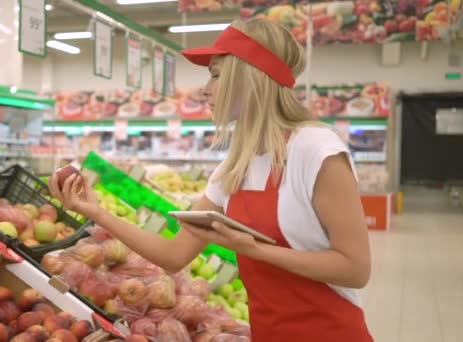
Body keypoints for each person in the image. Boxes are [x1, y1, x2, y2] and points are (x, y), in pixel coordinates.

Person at [50, 18, 373, 342]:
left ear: (251, 76)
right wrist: (97, 213)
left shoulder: (315, 150)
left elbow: (355, 269)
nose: (206, 88)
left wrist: (255, 250)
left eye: (217, 75)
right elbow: (174, 255)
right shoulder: (235, 167)